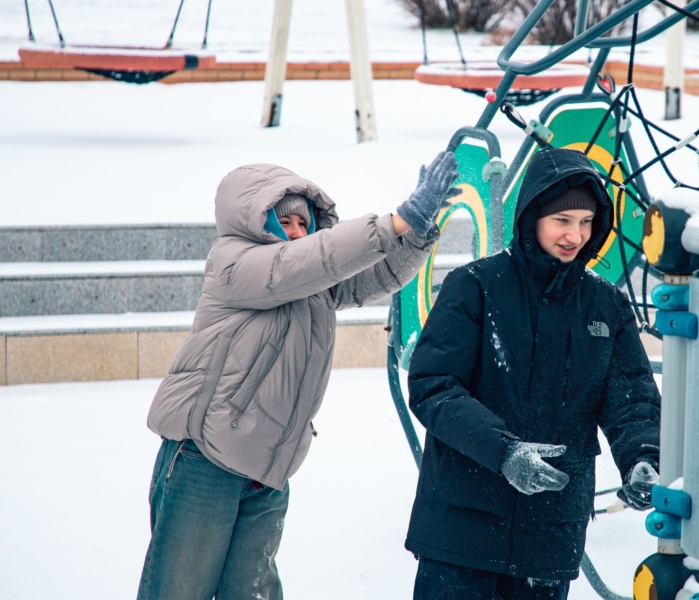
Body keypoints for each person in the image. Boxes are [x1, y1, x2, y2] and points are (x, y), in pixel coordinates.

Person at [137, 151, 460, 600]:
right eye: (283, 221)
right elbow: (304, 263)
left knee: (251, 593)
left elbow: (373, 275)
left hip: (268, 466)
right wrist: (396, 221)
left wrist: (417, 234)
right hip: (205, 458)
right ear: (254, 221)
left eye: (303, 224)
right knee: (178, 591)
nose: (295, 232)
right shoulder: (235, 262)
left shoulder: (312, 282)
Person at [403, 147, 662, 600]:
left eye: (586, 222)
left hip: (550, 531)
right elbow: (433, 386)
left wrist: (643, 456)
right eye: (562, 220)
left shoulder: (605, 305)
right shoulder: (476, 286)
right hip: (462, 528)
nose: (575, 235)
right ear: (533, 217)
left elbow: (630, 398)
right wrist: (503, 452)